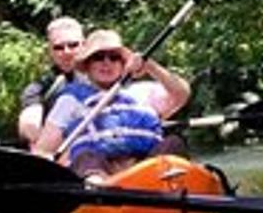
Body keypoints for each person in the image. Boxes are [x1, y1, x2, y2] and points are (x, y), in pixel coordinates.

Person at [31, 29, 193, 179]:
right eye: (98, 57)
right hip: (102, 174)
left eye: (114, 57)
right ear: (87, 65)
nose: (106, 63)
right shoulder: (70, 101)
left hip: (148, 171)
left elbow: (182, 94)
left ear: (123, 64)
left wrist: (151, 67)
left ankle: (168, 190)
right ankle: (97, 191)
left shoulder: (144, 92)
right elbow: (43, 150)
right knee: (85, 156)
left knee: (174, 142)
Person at [17, 17, 85, 142]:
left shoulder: (104, 75)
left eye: (73, 45)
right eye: (59, 47)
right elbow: (29, 124)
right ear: (50, 51)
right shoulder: (39, 88)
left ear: (84, 45)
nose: (67, 52)